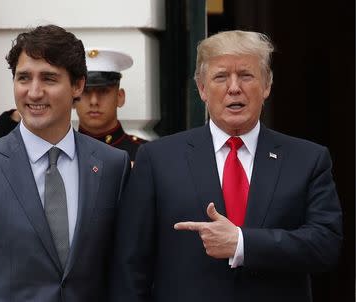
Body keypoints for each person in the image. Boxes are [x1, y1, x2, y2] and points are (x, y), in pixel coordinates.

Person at [109, 30, 342, 302]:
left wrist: (243, 244)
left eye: (246, 75)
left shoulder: (307, 159)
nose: (234, 87)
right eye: (221, 77)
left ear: (266, 85)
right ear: (202, 89)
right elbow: (131, 266)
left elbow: (326, 245)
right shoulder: (158, 159)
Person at [0, 25, 130, 302]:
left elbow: (122, 272)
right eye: (24, 78)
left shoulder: (113, 165)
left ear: (77, 85)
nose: (34, 92)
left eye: (49, 79)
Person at [73, 48, 147, 162]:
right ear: (73, 98)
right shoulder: (59, 155)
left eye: (103, 91)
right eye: (86, 92)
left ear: (120, 97)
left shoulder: (144, 154)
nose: (94, 101)